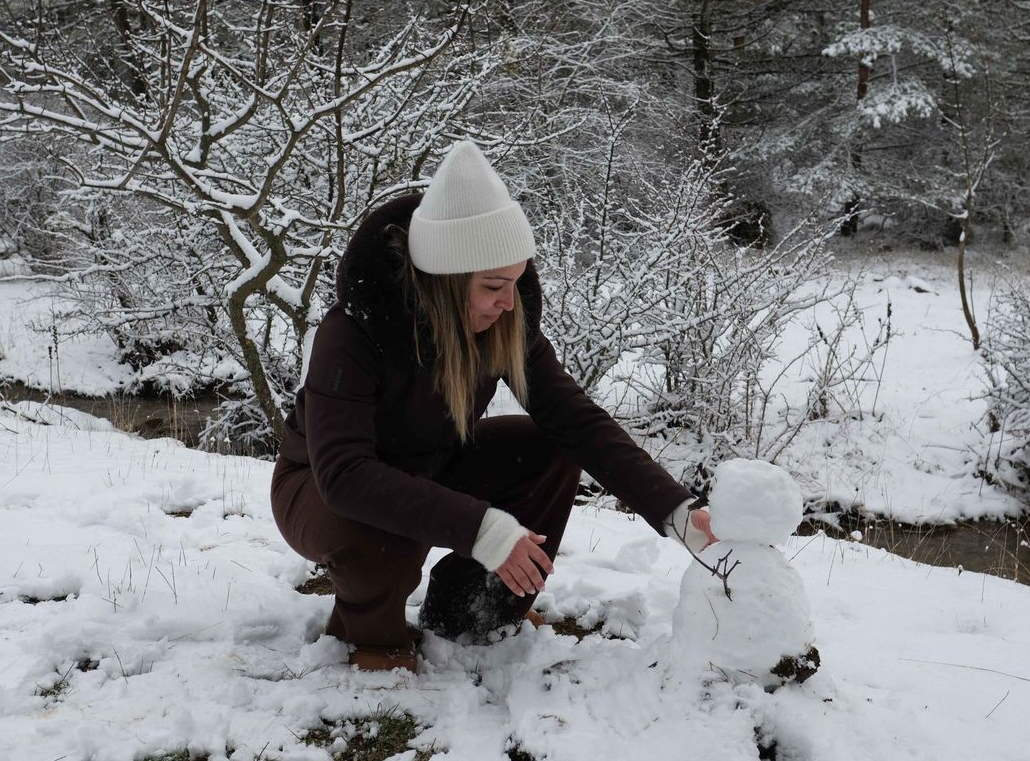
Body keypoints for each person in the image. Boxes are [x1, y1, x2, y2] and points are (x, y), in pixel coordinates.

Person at [271, 140, 717, 672]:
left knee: (546, 446)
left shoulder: (502, 324)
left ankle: (472, 613)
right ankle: (372, 636)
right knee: (374, 514)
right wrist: (484, 527)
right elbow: (345, 475)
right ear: (445, 281)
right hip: (319, 489)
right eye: (493, 286)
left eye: (516, 282)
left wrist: (675, 510)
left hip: (429, 468)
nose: (508, 303)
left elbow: (575, 419)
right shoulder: (352, 332)